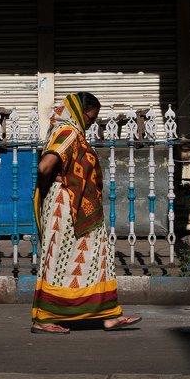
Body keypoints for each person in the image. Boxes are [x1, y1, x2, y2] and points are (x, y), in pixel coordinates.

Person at [31, 92, 142, 334]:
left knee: (97, 256)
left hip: (78, 206)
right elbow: (44, 166)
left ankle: (110, 315)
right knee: (58, 259)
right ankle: (43, 317)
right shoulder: (68, 132)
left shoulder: (65, 130)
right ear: (79, 113)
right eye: (90, 119)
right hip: (66, 207)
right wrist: (61, 181)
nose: (90, 124)